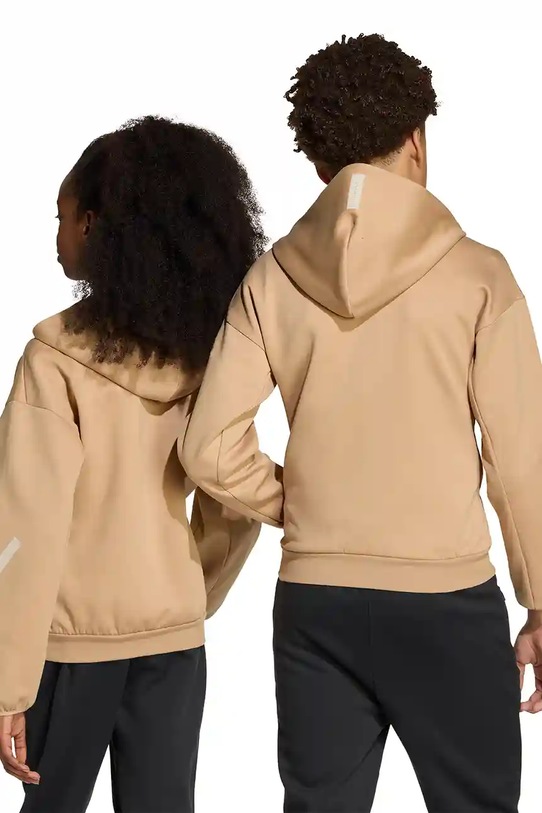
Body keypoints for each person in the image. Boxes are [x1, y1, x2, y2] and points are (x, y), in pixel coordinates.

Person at [182, 33, 542, 812]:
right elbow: (520, 463)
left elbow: (207, 447)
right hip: (447, 600)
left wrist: (303, 504)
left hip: (317, 601)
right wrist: (541, 599)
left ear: (321, 168)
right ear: (416, 139)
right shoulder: (480, 276)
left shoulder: (270, 281)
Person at [0, 115, 264, 813]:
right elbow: (234, 504)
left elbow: (25, 528)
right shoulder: (208, 360)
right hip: (173, 644)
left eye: (60, 217)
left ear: (93, 226)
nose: (55, 234)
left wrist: (8, 684)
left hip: (71, 645)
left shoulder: (53, 364)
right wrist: (186, 592)